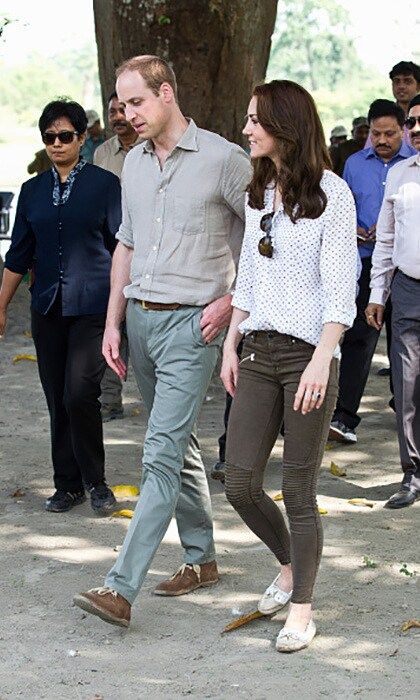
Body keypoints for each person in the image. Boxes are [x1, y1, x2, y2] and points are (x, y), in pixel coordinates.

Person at [73, 55, 251, 628]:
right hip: (141, 324)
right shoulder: (135, 164)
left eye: (136, 102)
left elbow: (266, 237)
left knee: (159, 455)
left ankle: (120, 588)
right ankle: (201, 559)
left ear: (166, 93)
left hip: (194, 326)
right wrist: (111, 323)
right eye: (121, 105)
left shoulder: (226, 159)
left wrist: (232, 302)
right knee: (177, 445)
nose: (127, 114)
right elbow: (125, 245)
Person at [220, 79, 357, 653]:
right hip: (256, 349)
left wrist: (324, 360)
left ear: (286, 125)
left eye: (255, 120)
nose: (247, 129)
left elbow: (339, 288)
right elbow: (249, 276)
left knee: (297, 488)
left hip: (309, 354)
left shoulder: (332, 193)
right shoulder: (260, 192)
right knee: (240, 480)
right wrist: (230, 341)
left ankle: (302, 608)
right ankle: (289, 566)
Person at [0, 99, 121, 515]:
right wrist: (1, 306)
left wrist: (121, 312)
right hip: (47, 308)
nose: (56, 143)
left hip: (93, 307)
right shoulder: (32, 192)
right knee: (57, 398)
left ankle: (97, 483)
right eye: (49, 137)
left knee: (80, 393)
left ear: (82, 138)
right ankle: (67, 485)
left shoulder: (105, 186)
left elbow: (121, 248)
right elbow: (17, 255)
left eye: (65, 136)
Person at [329, 99, 416, 444]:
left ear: (403, 131)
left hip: (407, 268)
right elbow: (342, 207)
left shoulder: (412, 166)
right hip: (365, 261)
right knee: (359, 339)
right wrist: (355, 230)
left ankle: (406, 411)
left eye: (390, 134)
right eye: (377, 133)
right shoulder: (353, 164)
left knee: (406, 342)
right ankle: (344, 416)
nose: (382, 140)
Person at [365, 96, 420, 509]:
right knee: (406, 384)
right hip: (408, 289)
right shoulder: (400, 174)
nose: (415, 131)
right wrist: (377, 294)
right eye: (413, 124)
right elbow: (385, 240)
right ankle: (412, 474)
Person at [94, 92, 142, 421]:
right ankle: (110, 397)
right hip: (111, 249)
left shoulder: (150, 149)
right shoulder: (101, 153)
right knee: (113, 322)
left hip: (147, 249)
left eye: (122, 109)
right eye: (112, 111)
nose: (116, 116)